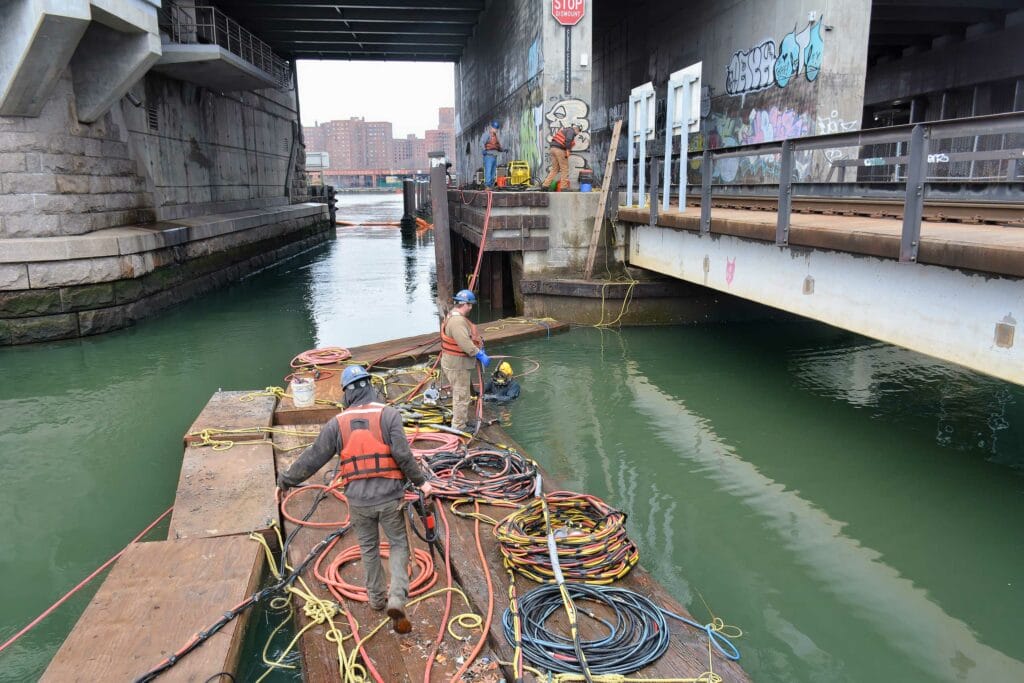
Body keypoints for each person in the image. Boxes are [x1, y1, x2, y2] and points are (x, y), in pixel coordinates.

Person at [277, 365, 434, 634]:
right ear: (371, 388)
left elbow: (314, 457)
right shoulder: (389, 415)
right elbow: (403, 456)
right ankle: (396, 598)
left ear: (347, 395)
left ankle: (376, 600)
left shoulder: (336, 424)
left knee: (369, 547)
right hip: (389, 498)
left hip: (359, 503)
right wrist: (422, 482)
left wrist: (285, 481)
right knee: (398, 544)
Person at [440, 289, 489, 431]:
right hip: (457, 365)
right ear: (464, 304)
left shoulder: (452, 315)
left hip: (453, 362)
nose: (471, 307)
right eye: (470, 304)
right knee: (461, 396)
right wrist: (479, 354)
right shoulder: (457, 322)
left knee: (462, 393)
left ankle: (462, 420)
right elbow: (465, 344)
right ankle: (459, 427)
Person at [541, 123, 582, 191]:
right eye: (578, 131)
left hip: (552, 149)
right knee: (564, 168)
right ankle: (564, 187)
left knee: (555, 169)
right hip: (559, 150)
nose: (578, 134)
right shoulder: (571, 131)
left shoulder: (565, 130)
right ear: (576, 129)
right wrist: (568, 151)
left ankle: (545, 185)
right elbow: (568, 140)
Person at [480, 120, 503, 187]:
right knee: (488, 171)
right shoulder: (487, 134)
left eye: (496, 129)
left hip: (494, 156)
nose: (495, 130)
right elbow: (481, 142)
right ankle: (487, 185)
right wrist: (484, 150)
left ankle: (491, 185)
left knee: (493, 172)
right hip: (488, 156)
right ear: (491, 127)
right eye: (494, 128)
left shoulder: (495, 136)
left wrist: (503, 150)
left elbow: (497, 146)